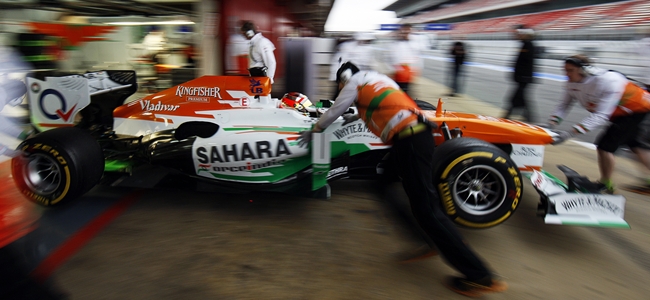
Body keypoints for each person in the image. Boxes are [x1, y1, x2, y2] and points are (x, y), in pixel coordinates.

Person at [297, 62, 507, 298]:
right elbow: (383, 105)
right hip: (411, 139)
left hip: (411, 141)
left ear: (344, 78)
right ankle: (426, 241)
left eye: (339, 85)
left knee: (427, 209)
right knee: (383, 184)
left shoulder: (354, 82)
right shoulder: (377, 79)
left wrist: (315, 129)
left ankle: (480, 276)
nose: (339, 88)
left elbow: (335, 109)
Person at [546, 54, 650, 193]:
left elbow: (600, 116)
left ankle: (605, 183)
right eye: (565, 70)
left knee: (605, 146)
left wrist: (568, 134)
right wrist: (552, 122)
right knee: (635, 144)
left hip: (637, 110)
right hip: (624, 111)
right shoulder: (571, 82)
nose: (566, 74)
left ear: (583, 70)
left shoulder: (608, 81)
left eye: (570, 70)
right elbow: (564, 104)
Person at [502, 25, 536, 122]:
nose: (516, 36)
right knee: (520, 99)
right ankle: (528, 118)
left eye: (518, 34)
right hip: (522, 77)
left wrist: (521, 75)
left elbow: (527, 63)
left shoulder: (528, 45)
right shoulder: (525, 44)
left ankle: (507, 117)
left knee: (516, 99)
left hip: (523, 78)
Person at [384, 24, 422, 96]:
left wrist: (416, 70)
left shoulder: (415, 44)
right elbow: (388, 58)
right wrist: (391, 70)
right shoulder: (393, 44)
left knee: (407, 94)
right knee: (395, 94)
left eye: (407, 32)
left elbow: (417, 58)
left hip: (408, 73)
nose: (405, 34)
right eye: (404, 31)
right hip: (396, 73)